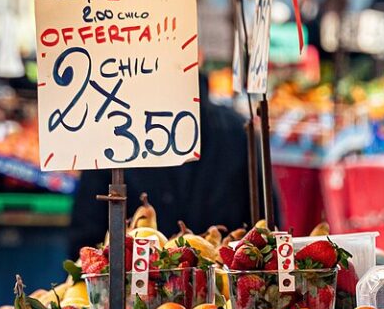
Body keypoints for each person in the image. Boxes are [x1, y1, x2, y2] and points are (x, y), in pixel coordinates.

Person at [68, 74, 279, 255]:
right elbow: (86, 244)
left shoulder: (239, 132)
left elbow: (267, 232)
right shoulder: (110, 137)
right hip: (133, 295)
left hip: (226, 294)